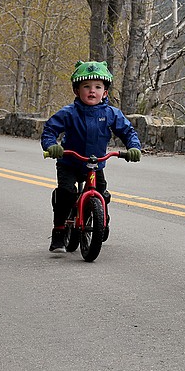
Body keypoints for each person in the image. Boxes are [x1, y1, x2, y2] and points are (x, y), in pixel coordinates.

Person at [41, 61, 142, 252]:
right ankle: (59, 231)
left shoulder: (111, 113)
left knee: (102, 192)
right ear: (77, 90)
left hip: (95, 165)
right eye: (86, 87)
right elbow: (50, 130)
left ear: (105, 92)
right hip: (70, 162)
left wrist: (134, 147)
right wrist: (51, 145)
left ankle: (101, 218)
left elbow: (128, 131)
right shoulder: (69, 113)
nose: (92, 91)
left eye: (98, 87)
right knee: (67, 193)